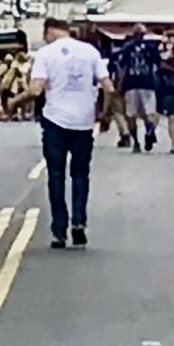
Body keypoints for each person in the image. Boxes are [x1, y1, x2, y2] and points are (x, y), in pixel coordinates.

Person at [28, 13, 110, 249]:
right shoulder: (91, 52)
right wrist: (103, 114)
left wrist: (14, 102)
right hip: (84, 123)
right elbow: (109, 87)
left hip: (55, 121)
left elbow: (35, 90)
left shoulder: (46, 54)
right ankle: (79, 223)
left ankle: (59, 230)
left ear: (49, 32)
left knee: (56, 175)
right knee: (81, 174)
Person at [114, 25, 161, 153]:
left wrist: (119, 86)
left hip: (131, 84)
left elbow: (122, 68)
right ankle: (149, 130)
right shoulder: (151, 48)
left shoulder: (127, 48)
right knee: (150, 112)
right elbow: (157, 67)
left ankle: (136, 143)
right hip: (147, 83)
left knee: (131, 114)